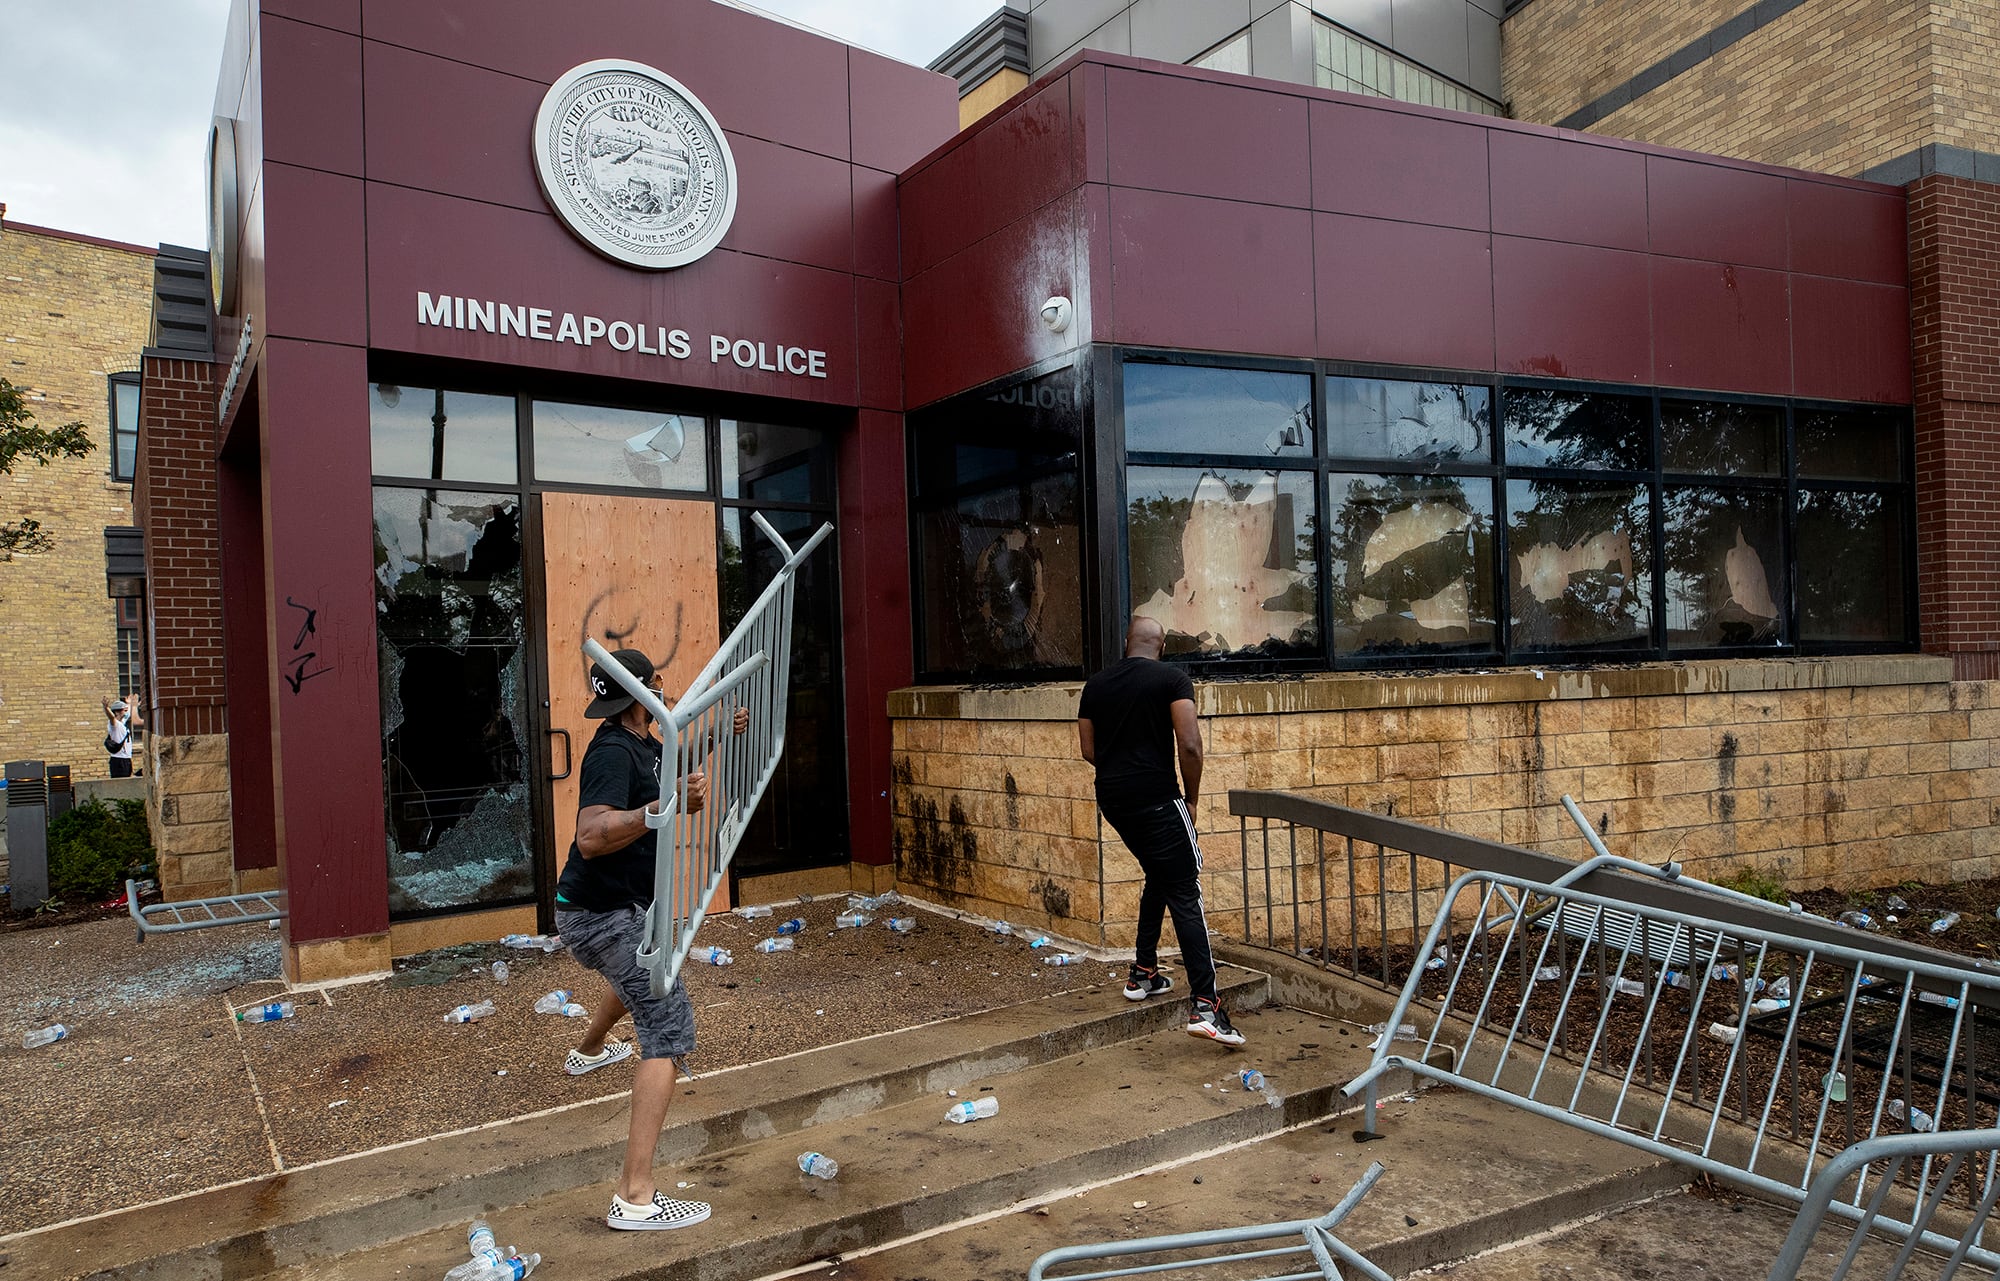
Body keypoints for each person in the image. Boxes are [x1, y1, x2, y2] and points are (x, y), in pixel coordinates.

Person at [552, 647, 746, 1231]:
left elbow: (671, 759)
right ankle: (634, 1196)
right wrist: (659, 811)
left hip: (607, 910)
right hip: (598, 914)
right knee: (666, 1020)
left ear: (653, 686)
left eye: (622, 700)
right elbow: (590, 836)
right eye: (611, 703)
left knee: (642, 968)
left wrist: (717, 731)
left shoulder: (648, 739)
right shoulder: (612, 749)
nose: (618, 712)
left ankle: (586, 1050)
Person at [1077, 616, 1245, 1047]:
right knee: (1185, 888)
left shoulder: (1096, 684)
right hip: (1158, 798)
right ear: (1163, 646)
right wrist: (1190, 798)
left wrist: (1122, 775)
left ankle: (1143, 973)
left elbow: (1088, 749)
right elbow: (1189, 744)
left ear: (1125, 641)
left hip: (1113, 801)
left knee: (1160, 872)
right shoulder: (1172, 679)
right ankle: (1207, 1005)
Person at [102, 693, 143, 779]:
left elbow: (127, 714)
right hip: (119, 760)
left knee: (128, 779)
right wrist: (106, 708)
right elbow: (111, 717)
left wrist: (129, 703)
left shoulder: (122, 722)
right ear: (117, 712)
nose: (125, 711)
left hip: (126, 759)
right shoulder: (114, 725)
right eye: (123, 710)